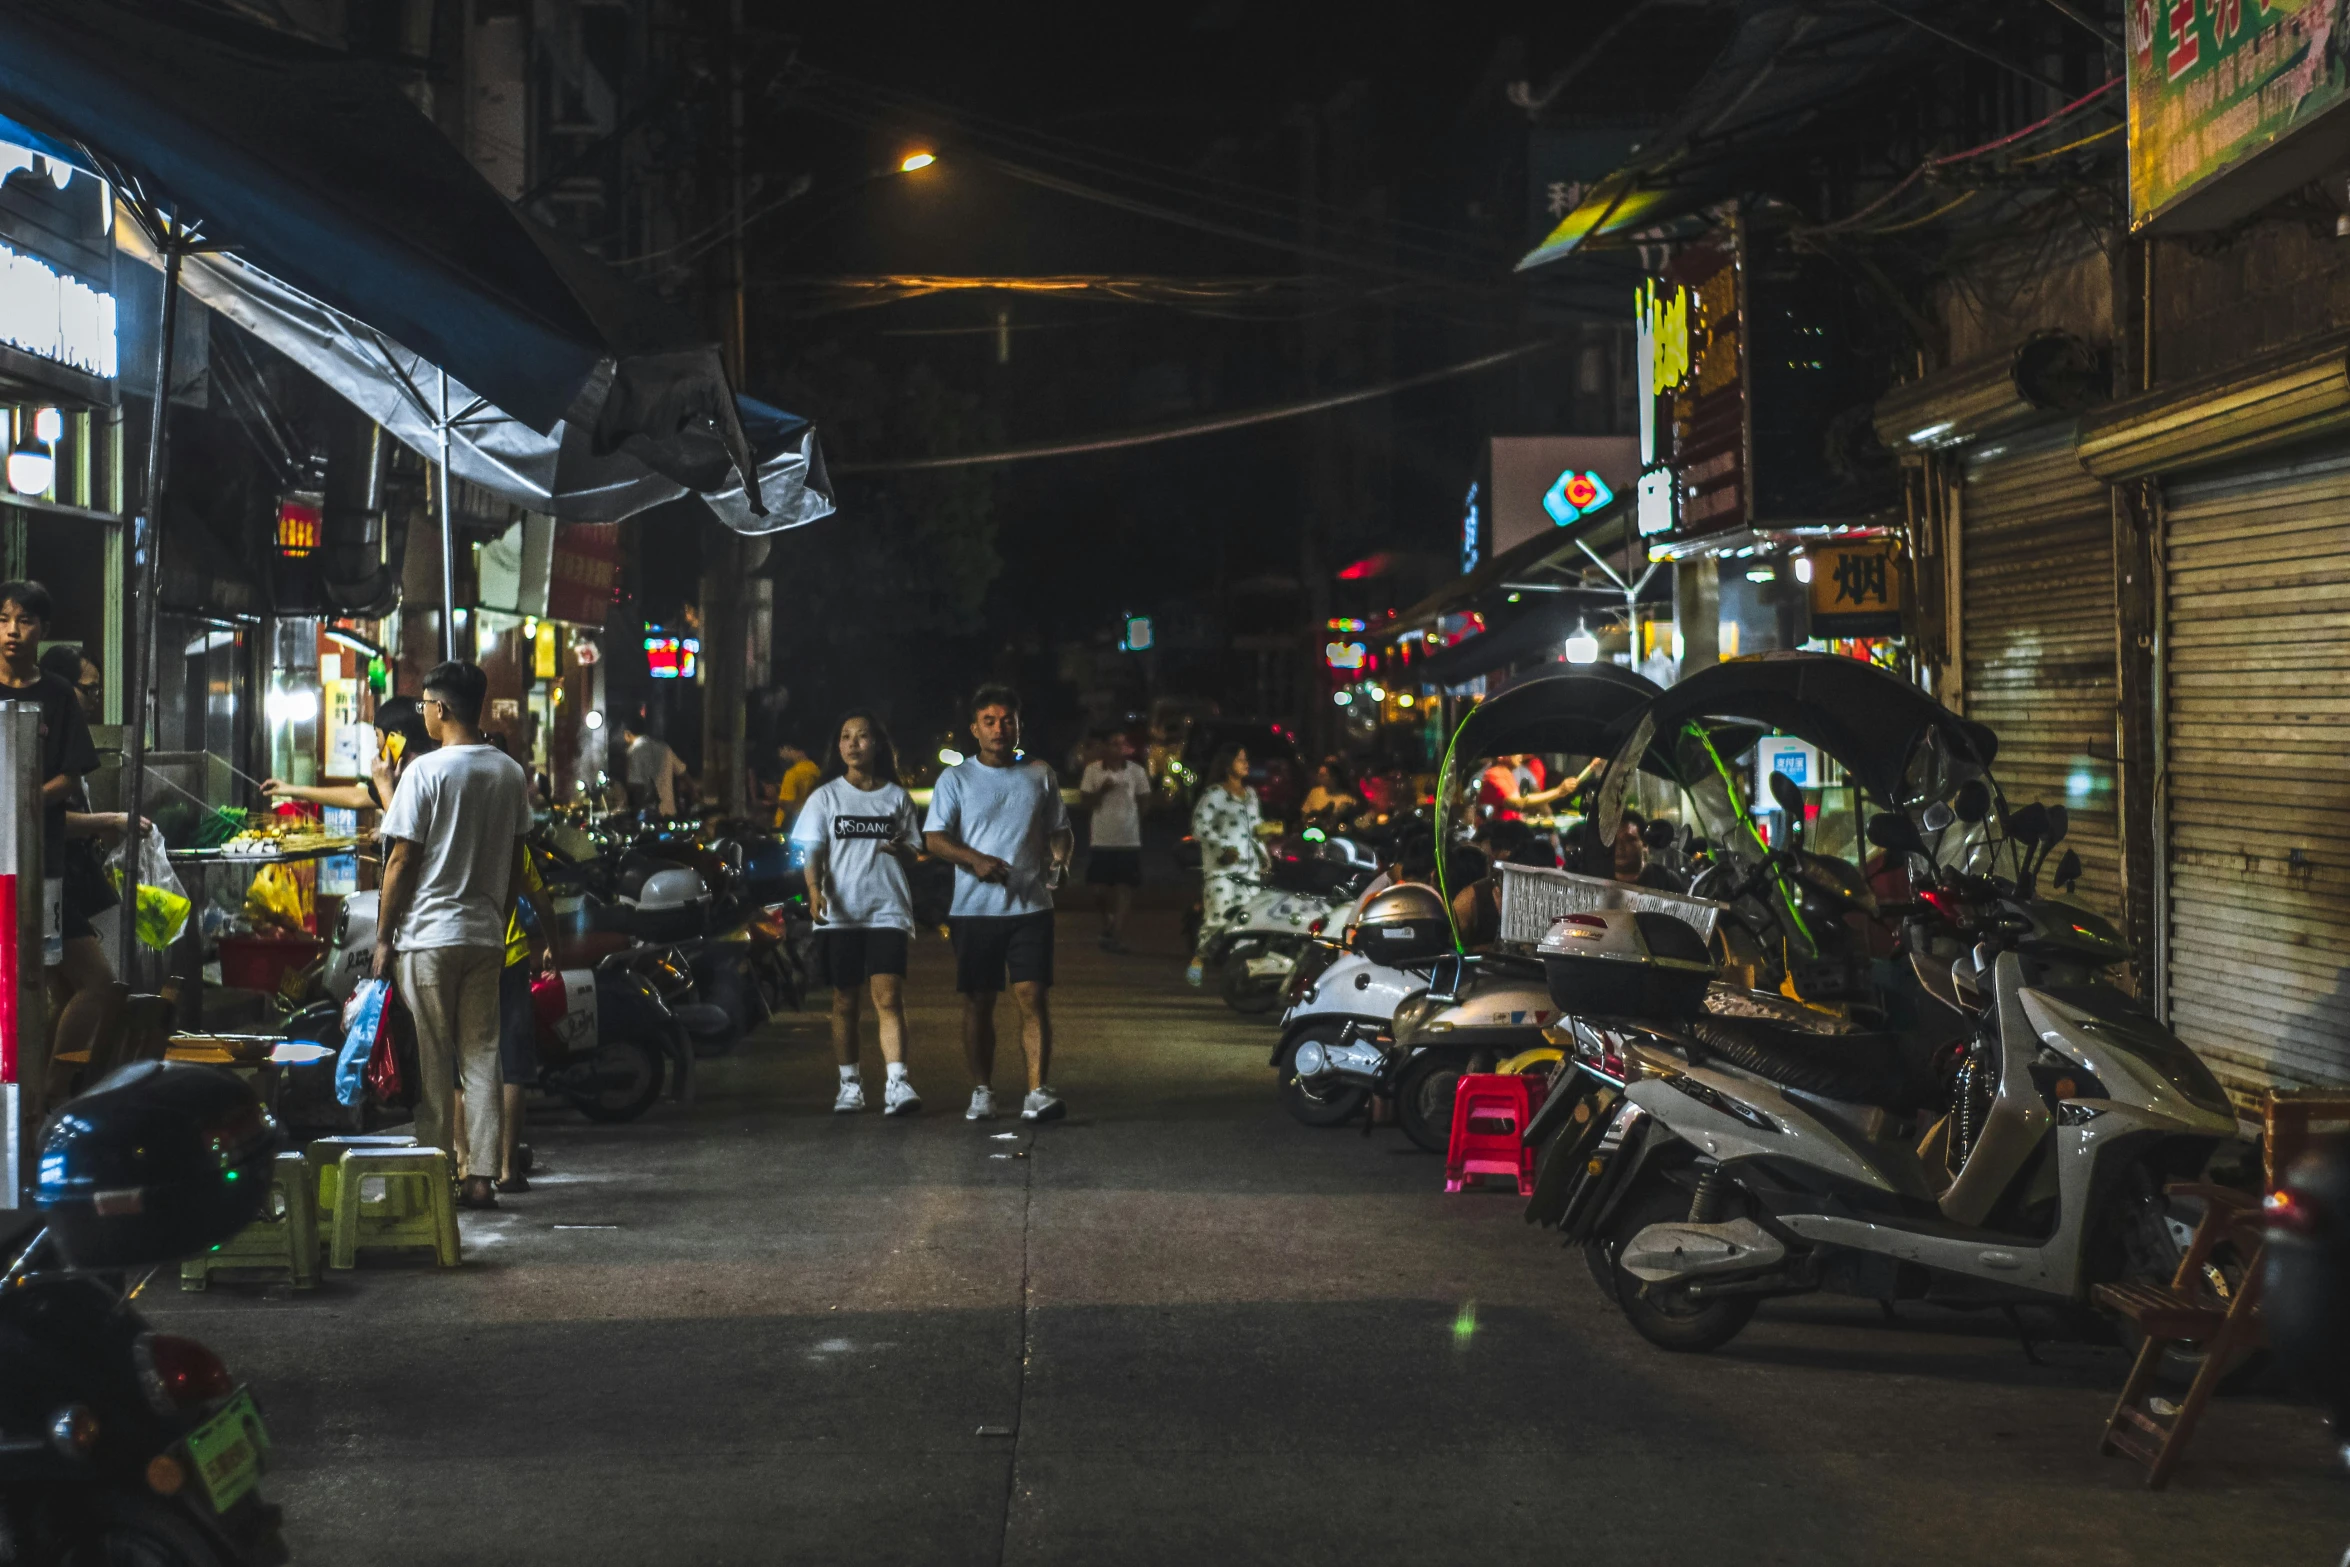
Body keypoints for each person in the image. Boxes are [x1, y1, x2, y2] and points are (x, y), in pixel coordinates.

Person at [373, 661, 534, 1210]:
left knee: (433, 1058)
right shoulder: (508, 773)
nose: (421, 713)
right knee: (483, 1055)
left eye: (423, 705)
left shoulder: (426, 773)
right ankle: (482, 1176)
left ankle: (434, 1172)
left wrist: (382, 937)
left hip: (427, 939)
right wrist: (496, 914)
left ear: (441, 708)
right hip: (485, 936)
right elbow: (516, 863)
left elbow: (401, 860)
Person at [1, 586, 133, 1107]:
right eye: (4, 619)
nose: (13, 631)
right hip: (6, 873)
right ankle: (34, 1098)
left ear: (43, 631)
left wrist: (23, 796)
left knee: (83, 982)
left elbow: (70, 774)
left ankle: (49, 1092)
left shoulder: (56, 695)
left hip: (42, 869)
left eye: (25, 621)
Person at [922, 684, 1072, 1123]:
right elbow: (934, 838)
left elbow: (1060, 828)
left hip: (1031, 908)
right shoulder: (956, 779)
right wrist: (975, 860)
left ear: (1019, 726)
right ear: (975, 729)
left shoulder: (1040, 774)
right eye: (989, 721)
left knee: (1032, 996)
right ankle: (982, 1090)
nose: (999, 728)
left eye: (1007, 720)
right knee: (978, 1001)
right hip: (974, 910)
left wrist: (1061, 858)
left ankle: (1037, 1092)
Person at [792, 711, 924, 1116]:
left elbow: (915, 851)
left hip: (886, 909)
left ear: (877, 745)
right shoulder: (825, 797)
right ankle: (849, 1084)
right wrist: (813, 890)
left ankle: (897, 1083)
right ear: (839, 748)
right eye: (846, 737)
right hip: (840, 912)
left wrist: (901, 846)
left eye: (862, 737)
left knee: (888, 996)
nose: (853, 744)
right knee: (845, 1000)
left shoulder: (896, 797)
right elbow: (811, 851)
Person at [265, 694, 433, 813]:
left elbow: (405, 836)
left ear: (395, 736)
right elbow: (356, 797)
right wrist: (292, 790)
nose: (377, 744)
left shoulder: (416, 775)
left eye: (377, 735)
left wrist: (383, 786)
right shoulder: (405, 772)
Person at [1186, 743, 1263, 989]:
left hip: (1250, 869)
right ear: (1228, 765)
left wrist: (1266, 847)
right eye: (1241, 759)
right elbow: (1200, 827)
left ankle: (1237, 972)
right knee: (1218, 918)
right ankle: (1200, 959)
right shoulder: (1214, 795)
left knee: (1248, 919)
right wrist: (1222, 848)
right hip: (1222, 870)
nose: (1246, 764)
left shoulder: (1251, 794)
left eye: (1246, 759)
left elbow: (1256, 827)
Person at [1078, 733, 1149, 953]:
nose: (1119, 749)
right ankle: (1108, 919)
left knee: (1124, 888)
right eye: (1114, 744)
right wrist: (1102, 790)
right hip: (1102, 839)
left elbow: (1145, 799)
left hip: (1128, 839)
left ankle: (1116, 933)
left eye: (1123, 745)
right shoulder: (1093, 771)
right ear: (1105, 747)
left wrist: (1133, 821)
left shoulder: (1136, 771)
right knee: (1097, 889)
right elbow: (1085, 802)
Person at [621, 717, 688, 817]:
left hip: (648, 814)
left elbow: (636, 785)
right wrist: (695, 794)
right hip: (669, 811)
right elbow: (683, 772)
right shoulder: (664, 747)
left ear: (627, 734)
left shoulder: (634, 751)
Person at [773, 738, 821, 829]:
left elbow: (786, 803)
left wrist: (774, 798)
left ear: (788, 748)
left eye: (781, 751)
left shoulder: (792, 773)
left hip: (786, 827)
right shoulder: (816, 770)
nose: (781, 756)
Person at [1300, 757, 1360, 824]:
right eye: (1319, 775)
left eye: (1323, 776)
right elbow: (1304, 814)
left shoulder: (1347, 799)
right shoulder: (1315, 792)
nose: (1319, 778)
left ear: (1334, 777)